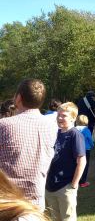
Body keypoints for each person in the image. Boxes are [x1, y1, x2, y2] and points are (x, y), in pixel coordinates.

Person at [0, 79, 57, 211]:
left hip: (8, 202)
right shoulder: (51, 126)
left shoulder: (4, 125)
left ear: (18, 98)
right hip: (36, 201)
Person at [45, 102, 86, 221]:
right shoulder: (56, 133)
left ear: (73, 118)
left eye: (64, 116)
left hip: (65, 186)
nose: (60, 118)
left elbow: (82, 161)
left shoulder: (75, 135)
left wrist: (73, 185)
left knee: (67, 218)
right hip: (50, 185)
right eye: (58, 115)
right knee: (54, 218)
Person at [75, 115, 94, 188]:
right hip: (85, 150)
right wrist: (92, 145)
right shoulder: (86, 130)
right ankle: (82, 182)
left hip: (76, 149)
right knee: (84, 165)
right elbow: (89, 139)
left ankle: (75, 180)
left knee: (76, 164)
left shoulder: (74, 129)